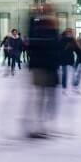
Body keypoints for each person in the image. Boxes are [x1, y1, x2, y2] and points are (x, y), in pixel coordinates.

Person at [26, 9, 61, 138]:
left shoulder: (42, 33)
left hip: (43, 68)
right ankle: (42, 125)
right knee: (45, 99)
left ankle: (41, 125)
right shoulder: (50, 34)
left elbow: (31, 39)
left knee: (43, 99)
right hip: (45, 68)